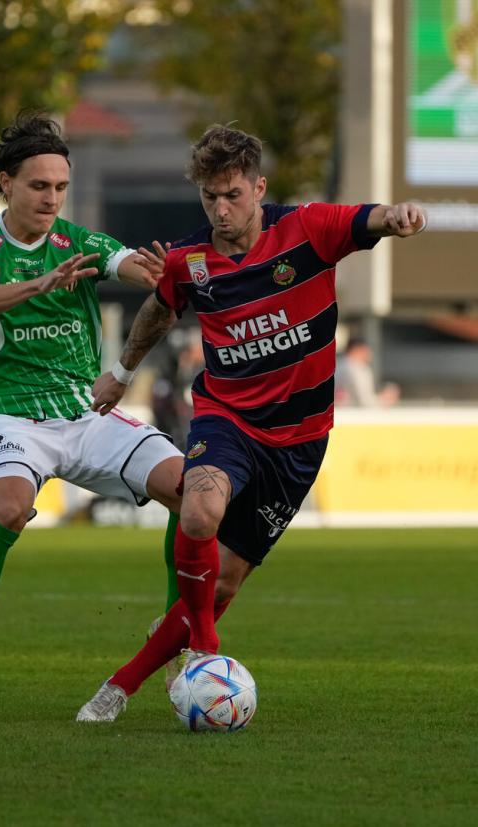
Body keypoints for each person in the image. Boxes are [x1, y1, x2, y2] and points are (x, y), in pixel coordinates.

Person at [76, 123, 427, 722]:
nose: (221, 208)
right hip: (227, 416)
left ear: (259, 188)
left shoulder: (306, 231)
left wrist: (398, 215)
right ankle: (148, 675)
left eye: (232, 194)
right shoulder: (190, 260)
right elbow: (157, 312)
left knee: (222, 587)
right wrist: (121, 371)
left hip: (299, 442)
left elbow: (370, 218)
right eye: (210, 197)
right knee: (198, 510)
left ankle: (169, 643)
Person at [0, 112, 184, 712]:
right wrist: (36, 285)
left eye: (60, 187)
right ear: (6, 182)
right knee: (9, 509)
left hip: (85, 413)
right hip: (11, 416)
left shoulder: (78, 243)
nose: (52, 198)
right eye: (39, 186)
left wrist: (157, 274)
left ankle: (173, 635)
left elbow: (126, 264)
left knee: (190, 488)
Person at [335, 336, 400, 406]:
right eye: (366, 350)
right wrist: (385, 398)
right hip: (351, 413)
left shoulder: (337, 365)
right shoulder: (357, 369)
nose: (370, 353)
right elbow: (365, 401)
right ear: (357, 350)